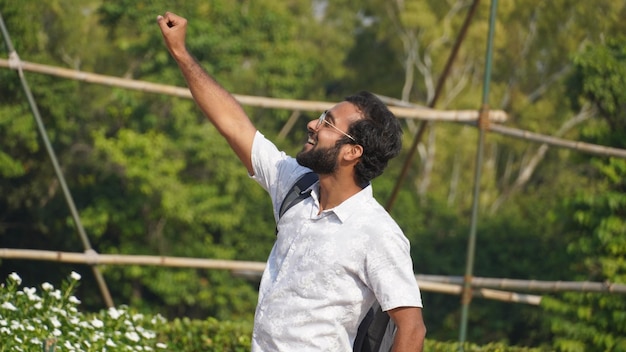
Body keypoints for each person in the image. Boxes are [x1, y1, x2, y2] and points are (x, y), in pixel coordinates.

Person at [157, 11, 426, 352]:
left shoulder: (378, 232)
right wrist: (181, 53)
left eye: (328, 123)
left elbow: (412, 328)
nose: (313, 124)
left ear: (352, 152)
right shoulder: (296, 188)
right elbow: (234, 125)